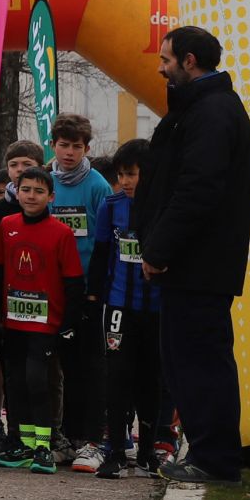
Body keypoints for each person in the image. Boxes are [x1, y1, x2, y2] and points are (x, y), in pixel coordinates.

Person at [139, 25, 250, 486]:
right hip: (192, 266)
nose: (160, 67)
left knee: (200, 362)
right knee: (186, 362)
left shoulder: (212, 112)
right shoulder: (204, 108)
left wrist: (160, 248)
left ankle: (215, 459)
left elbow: (197, 190)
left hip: (197, 266)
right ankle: (209, 453)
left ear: (190, 61)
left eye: (166, 59)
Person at [0, 167, 82, 474]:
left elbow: (73, 282)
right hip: (13, 321)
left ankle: (45, 446)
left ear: (51, 197)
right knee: (15, 382)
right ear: (17, 192)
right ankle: (23, 443)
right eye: (26, 190)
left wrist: (69, 323)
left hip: (45, 323)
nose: (31, 196)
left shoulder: (62, 232)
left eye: (39, 191)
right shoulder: (7, 224)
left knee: (38, 381)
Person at [93, 139, 163, 478]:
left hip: (156, 308)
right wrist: (94, 297)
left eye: (132, 174)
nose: (125, 181)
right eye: (121, 174)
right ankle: (116, 451)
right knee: (117, 376)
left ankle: (149, 451)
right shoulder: (112, 206)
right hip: (118, 306)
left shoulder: (167, 205)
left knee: (152, 378)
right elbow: (101, 253)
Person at [48, 112, 112, 472]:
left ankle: (92, 438)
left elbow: (103, 243)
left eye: (76, 146)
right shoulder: (45, 181)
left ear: (87, 149)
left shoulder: (98, 186)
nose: (69, 152)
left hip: (87, 292)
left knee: (90, 367)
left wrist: (94, 291)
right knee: (62, 367)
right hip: (53, 292)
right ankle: (67, 437)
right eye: (63, 145)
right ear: (53, 145)